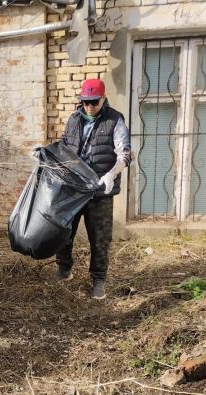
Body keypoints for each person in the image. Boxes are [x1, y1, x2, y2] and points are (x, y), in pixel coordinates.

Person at [55, 78, 132, 300]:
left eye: (94, 102)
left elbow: (125, 154)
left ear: (103, 99)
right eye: (85, 102)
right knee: (64, 230)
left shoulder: (115, 120)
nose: (89, 106)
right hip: (74, 188)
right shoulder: (74, 119)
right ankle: (64, 269)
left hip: (100, 191)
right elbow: (64, 146)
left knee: (99, 239)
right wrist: (47, 154)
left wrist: (111, 174)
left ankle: (98, 280)